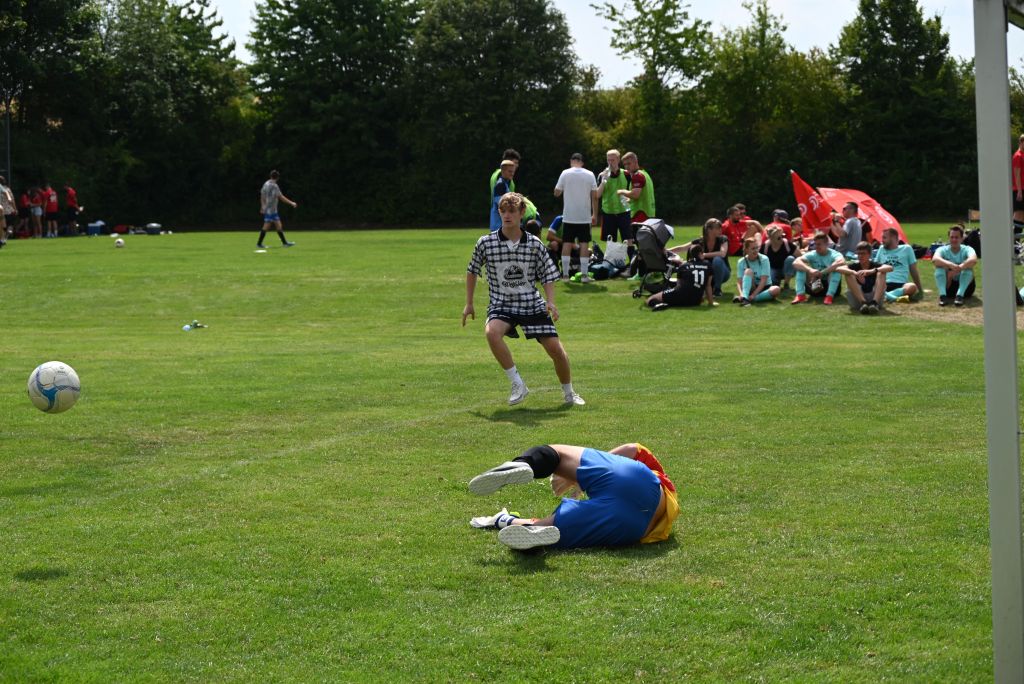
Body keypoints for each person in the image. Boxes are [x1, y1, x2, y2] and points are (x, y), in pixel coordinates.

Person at [463, 192, 584, 406]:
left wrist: (550, 301)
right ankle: (517, 384)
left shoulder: (534, 244)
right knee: (492, 332)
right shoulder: (486, 242)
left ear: (522, 213)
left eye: (512, 211)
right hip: (502, 304)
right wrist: (469, 303)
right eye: (503, 211)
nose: (507, 215)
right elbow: (472, 270)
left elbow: (547, 274)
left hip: (531, 304)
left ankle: (569, 393)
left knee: (556, 350)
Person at [468, 442, 679, 550]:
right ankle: (508, 522)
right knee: (547, 529)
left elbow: (633, 449)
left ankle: (525, 463)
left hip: (634, 487)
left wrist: (576, 478)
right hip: (635, 526)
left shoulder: (656, 473)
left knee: (557, 454)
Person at [553, 153, 599, 283]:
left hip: (569, 216)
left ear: (571, 161)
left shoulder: (565, 173)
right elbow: (595, 197)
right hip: (584, 217)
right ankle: (584, 276)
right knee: (584, 244)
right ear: (582, 163)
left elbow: (557, 193)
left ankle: (565, 275)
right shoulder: (590, 174)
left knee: (567, 243)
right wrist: (595, 215)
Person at [646, 244, 715, 310]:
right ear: (700, 254)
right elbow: (708, 286)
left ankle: (662, 304)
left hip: (681, 296)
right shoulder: (708, 265)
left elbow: (678, 285)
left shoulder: (683, 266)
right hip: (696, 301)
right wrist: (711, 302)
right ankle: (668, 303)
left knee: (650, 299)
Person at [674, 218, 730, 297]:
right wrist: (666, 250)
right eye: (718, 228)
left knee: (717, 260)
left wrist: (704, 255)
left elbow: (722, 253)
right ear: (709, 230)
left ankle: (717, 289)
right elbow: (682, 248)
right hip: (706, 273)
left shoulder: (723, 239)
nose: (720, 230)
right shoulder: (700, 241)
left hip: (723, 273)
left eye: (720, 228)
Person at [837, 241, 892, 314]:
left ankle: (874, 303)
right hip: (858, 301)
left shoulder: (874, 265)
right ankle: (863, 303)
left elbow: (890, 267)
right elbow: (838, 269)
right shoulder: (855, 266)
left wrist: (872, 271)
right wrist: (854, 273)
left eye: (863, 253)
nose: (860, 256)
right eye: (858, 254)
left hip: (875, 298)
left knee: (882, 272)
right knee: (848, 274)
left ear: (869, 254)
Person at [595, 149, 633, 253]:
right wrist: (604, 181)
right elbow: (597, 195)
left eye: (613, 160)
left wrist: (629, 200)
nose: (610, 163)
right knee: (611, 242)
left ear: (618, 160)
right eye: (608, 160)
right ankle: (612, 263)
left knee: (629, 239)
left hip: (624, 212)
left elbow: (632, 192)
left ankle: (632, 261)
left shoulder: (626, 174)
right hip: (609, 213)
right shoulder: (602, 175)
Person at [932, 224, 978, 306]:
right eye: (952, 237)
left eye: (956, 237)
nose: (954, 239)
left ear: (962, 238)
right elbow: (935, 260)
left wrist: (960, 267)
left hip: (967, 289)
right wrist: (950, 264)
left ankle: (960, 296)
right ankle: (943, 296)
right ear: (948, 238)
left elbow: (973, 260)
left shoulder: (967, 249)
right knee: (939, 269)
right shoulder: (942, 249)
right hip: (949, 286)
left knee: (968, 269)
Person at [791, 232, 844, 304]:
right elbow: (795, 262)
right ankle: (800, 296)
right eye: (815, 244)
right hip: (815, 285)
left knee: (836, 270)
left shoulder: (834, 254)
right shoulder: (812, 254)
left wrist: (823, 272)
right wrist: (810, 270)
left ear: (827, 244)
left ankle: (829, 296)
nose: (816, 246)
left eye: (819, 244)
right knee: (801, 268)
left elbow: (841, 262)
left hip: (832, 286)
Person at [874, 227, 922, 303]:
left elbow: (913, 270)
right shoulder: (881, 248)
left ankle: (887, 296)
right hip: (883, 283)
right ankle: (894, 297)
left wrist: (920, 289)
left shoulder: (907, 249)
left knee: (912, 286)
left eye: (884, 238)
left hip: (901, 284)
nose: (881, 240)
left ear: (893, 238)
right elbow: (875, 267)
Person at [734, 237, 780, 306]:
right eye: (753, 248)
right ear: (746, 250)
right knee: (748, 271)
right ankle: (745, 297)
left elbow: (763, 281)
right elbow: (739, 282)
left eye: (757, 248)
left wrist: (753, 295)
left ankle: (748, 299)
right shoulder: (741, 262)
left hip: (764, 287)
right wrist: (741, 294)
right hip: (751, 287)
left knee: (776, 289)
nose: (756, 250)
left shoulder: (764, 259)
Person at [257, 170, 297, 248]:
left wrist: (262, 206)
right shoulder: (274, 186)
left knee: (279, 226)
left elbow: (262, 195)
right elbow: (281, 197)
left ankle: (285, 243)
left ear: (270, 176)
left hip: (269, 209)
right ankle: (259, 244)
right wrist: (292, 203)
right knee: (266, 227)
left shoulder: (266, 184)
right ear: (278, 178)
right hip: (271, 210)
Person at [617, 152, 655, 224]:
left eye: (629, 163)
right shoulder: (644, 173)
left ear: (636, 162)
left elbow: (635, 195)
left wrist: (622, 191)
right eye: (625, 164)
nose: (626, 166)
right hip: (648, 213)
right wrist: (629, 200)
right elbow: (641, 195)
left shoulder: (637, 176)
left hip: (639, 214)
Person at [488, 148, 519, 214]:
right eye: (515, 163)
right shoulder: (502, 178)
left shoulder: (496, 173)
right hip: (502, 214)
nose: (517, 165)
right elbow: (502, 202)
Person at [489, 160, 516, 232]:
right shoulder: (500, 185)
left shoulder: (506, 184)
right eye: (510, 171)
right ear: (503, 171)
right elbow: (503, 206)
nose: (512, 174)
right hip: (499, 226)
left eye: (513, 171)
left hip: (502, 225)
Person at [0, 176, 14, 246]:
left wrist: (9, 198)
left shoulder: (4, 189)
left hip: (4, 210)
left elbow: (9, 197)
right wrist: (14, 208)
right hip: (8, 210)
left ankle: (3, 238)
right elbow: (12, 200)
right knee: (7, 225)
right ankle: (4, 238)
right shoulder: (7, 189)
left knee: (3, 225)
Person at [1013, 134, 1024, 223]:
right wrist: (1019, 191)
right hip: (1019, 190)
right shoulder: (1018, 156)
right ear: (1021, 142)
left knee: (1022, 215)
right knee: (1019, 214)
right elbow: (1017, 174)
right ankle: (1014, 232)